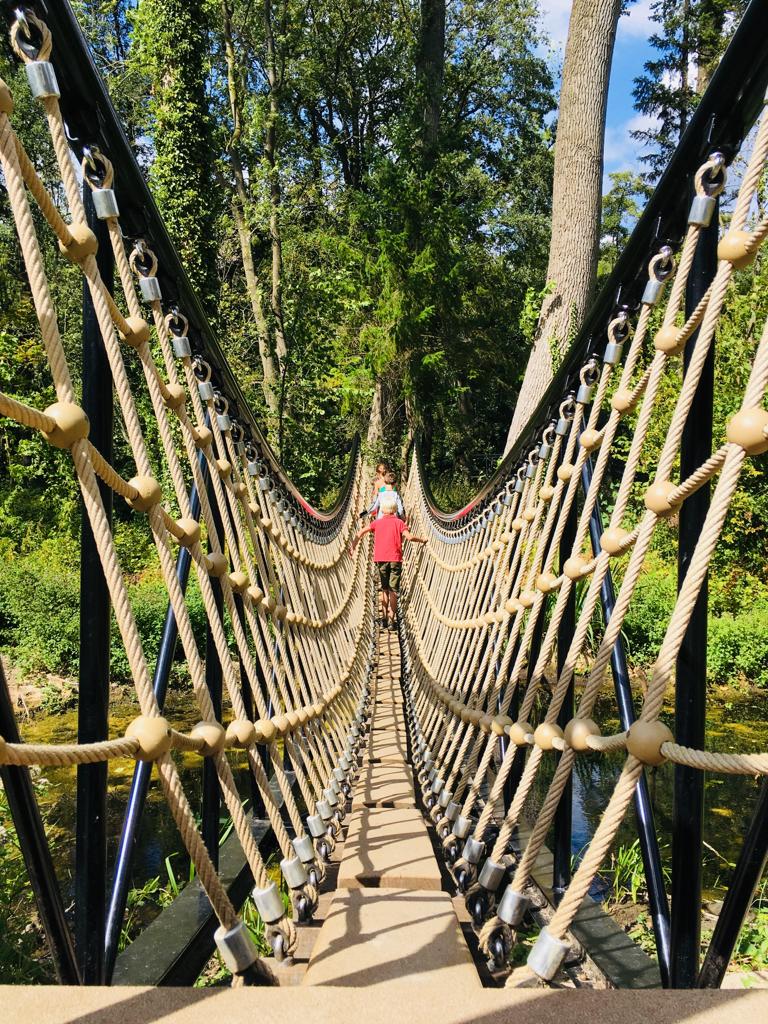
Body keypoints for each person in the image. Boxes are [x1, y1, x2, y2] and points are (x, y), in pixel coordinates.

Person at [350, 493, 425, 629]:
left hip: (380, 559)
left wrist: (353, 546)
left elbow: (361, 532)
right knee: (393, 590)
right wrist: (422, 540)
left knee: (384, 589)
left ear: (382, 510)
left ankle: (383, 619)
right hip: (395, 559)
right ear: (395, 510)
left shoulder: (376, 523)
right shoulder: (400, 523)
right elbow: (409, 537)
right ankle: (391, 620)